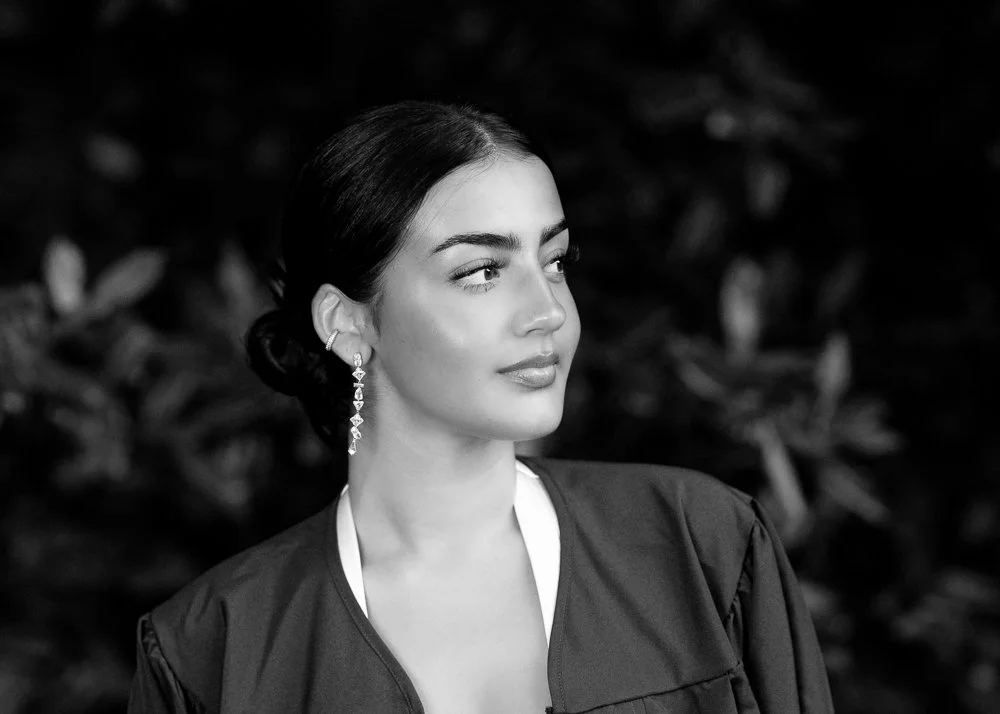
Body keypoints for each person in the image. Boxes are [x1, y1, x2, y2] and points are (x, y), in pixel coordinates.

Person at [127, 100, 834, 713]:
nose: (548, 311)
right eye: (482, 271)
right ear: (348, 322)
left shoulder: (701, 545)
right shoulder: (216, 649)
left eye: (554, 261)